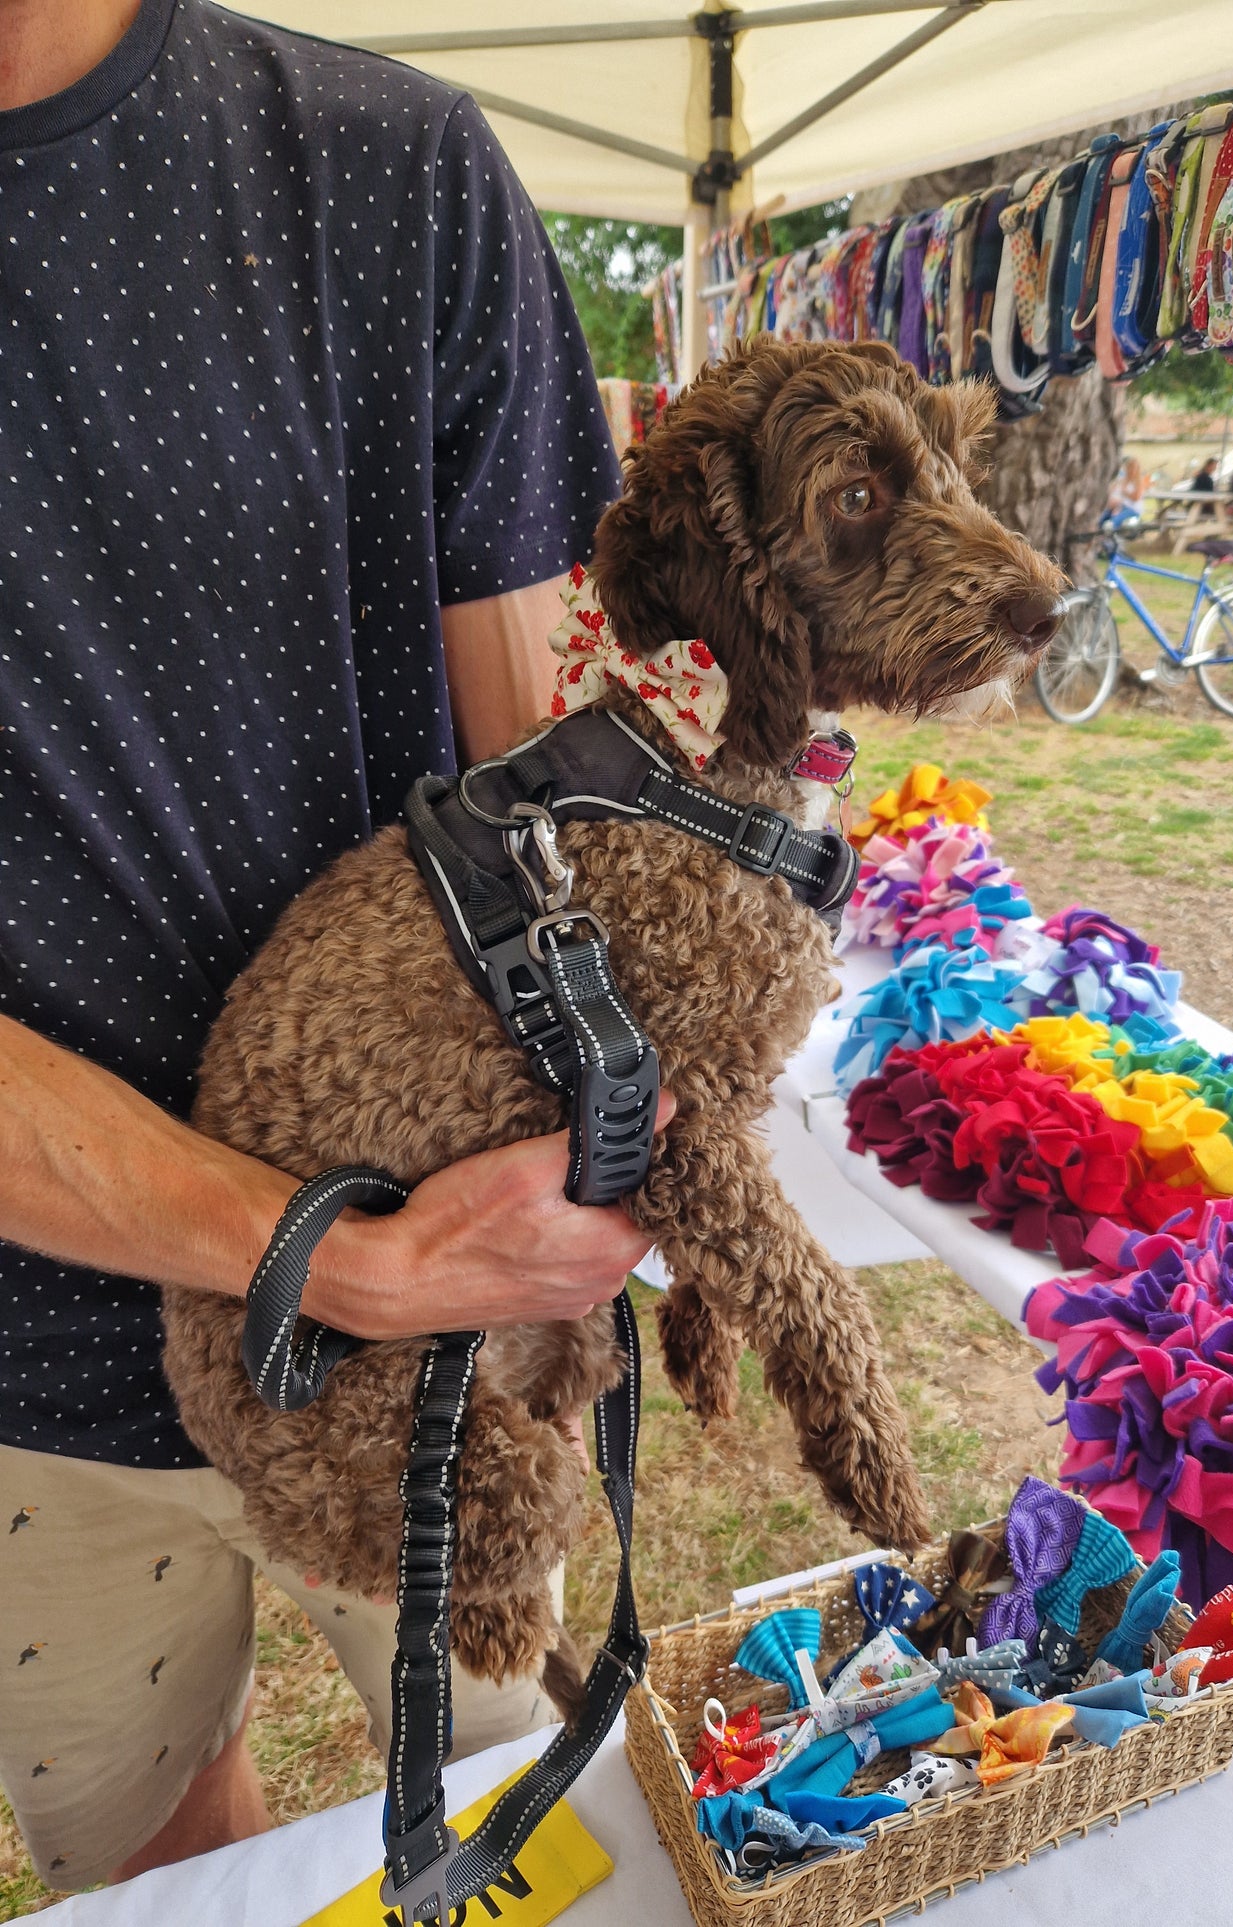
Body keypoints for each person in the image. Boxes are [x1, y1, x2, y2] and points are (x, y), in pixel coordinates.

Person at [0, 0, 662, 1893]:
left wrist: (594, 1114)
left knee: (543, 1844)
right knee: (146, 1872)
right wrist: (319, 1257)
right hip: (33, 1351)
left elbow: (553, 776)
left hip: (442, 1321)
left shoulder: (389, 171)